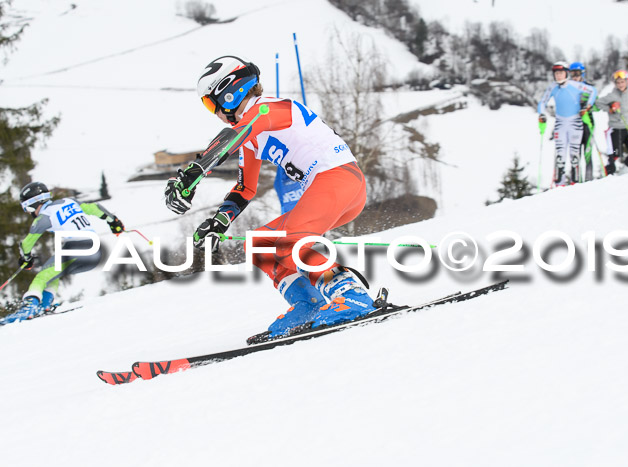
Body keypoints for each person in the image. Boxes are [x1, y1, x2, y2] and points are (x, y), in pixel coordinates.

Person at [164, 55, 376, 338]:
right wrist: (218, 222)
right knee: (261, 244)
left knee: (291, 241)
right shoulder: (250, 136)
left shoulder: (269, 109)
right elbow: (244, 189)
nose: (213, 111)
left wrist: (195, 171)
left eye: (210, 103)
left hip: (338, 179)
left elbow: (236, 133)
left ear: (230, 92)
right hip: (329, 192)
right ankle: (307, 304)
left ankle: (350, 296)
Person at [2, 182, 124, 323]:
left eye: (26, 208)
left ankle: (28, 307)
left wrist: (26, 258)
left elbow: (27, 242)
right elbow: (95, 208)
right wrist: (113, 221)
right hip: (95, 253)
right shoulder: (69, 201)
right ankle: (44, 304)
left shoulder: (45, 216)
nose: (28, 212)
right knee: (52, 273)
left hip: (77, 248)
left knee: (42, 276)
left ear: (33, 204)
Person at [537, 62, 598, 186]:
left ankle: (575, 182)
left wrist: (587, 106)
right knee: (560, 154)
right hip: (560, 123)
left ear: (566, 73)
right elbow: (542, 102)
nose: (558, 76)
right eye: (556, 73)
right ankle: (560, 183)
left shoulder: (576, 85)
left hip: (576, 123)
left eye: (561, 73)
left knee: (574, 154)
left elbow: (593, 91)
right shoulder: (552, 87)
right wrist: (541, 114)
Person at [594, 69, 628, 174]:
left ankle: (624, 172)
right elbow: (598, 103)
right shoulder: (612, 95)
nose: (620, 84)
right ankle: (607, 173)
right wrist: (611, 108)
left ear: (627, 81)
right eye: (618, 82)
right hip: (616, 128)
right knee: (615, 155)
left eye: (622, 82)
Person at [569, 61, 599, 181]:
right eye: (572, 74)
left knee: (587, 151)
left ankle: (588, 178)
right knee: (574, 153)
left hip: (588, 123)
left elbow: (597, 106)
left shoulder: (589, 88)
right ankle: (575, 180)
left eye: (577, 74)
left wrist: (588, 107)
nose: (575, 77)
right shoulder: (568, 88)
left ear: (582, 74)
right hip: (573, 124)